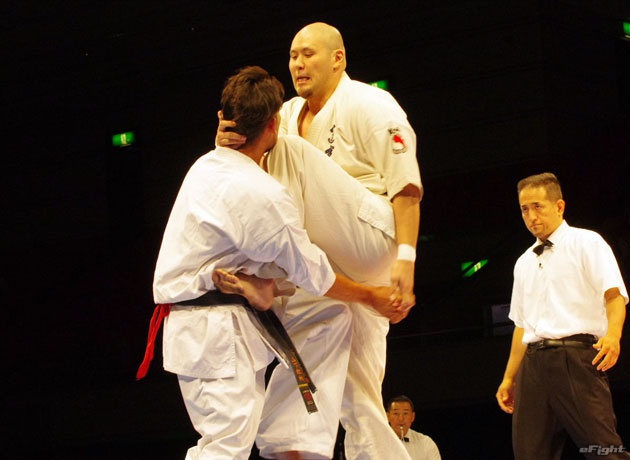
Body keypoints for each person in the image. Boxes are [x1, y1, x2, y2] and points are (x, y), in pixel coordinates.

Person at [139, 66, 407, 460]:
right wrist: (371, 295)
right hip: (215, 330)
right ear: (274, 123)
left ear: (225, 120)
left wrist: (264, 284)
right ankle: (290, 443)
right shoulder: (264, 195)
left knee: (328, 315)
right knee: (225, 446)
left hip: (201, 325)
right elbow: (316, 275)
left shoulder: (204, 167)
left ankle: (291, 440)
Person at [217, 22, 423, 460]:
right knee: (361, 398)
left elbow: (405, 186)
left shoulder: (370, 103)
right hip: (331, 264)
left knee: (284, 148)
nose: (298, 63)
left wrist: (406, 257)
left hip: (372, 237)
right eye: (293, 55)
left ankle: (269, 274)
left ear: (338, 58)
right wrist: (229, 144)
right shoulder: (288, 112)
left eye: (308, 54)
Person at [495, 172, 630, 459]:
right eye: (524, 209)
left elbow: (614, 294)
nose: (531, 216)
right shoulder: (523, 262)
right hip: (533, 365)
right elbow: (521, 325)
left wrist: (614, 335)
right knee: (530, 454)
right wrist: (509, 377)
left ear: (559, 206)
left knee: (605, 450)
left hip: (576, 357)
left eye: (538, 206)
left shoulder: (587, 242)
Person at [386, 395, 441, 460]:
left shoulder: (426, 443)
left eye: (405, 413)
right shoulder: (378, 441)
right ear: (388, 416)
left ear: (412, 416)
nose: (401, 418)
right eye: (396, 413)